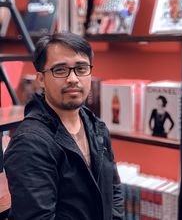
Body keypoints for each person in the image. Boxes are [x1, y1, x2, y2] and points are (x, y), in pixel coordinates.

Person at [4, 32, 124, 220]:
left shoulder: (96, 126)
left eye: (81, 68)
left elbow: (114, 192)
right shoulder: (30, 143)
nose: (73, 78)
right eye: (60, 70)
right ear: (41, 79)